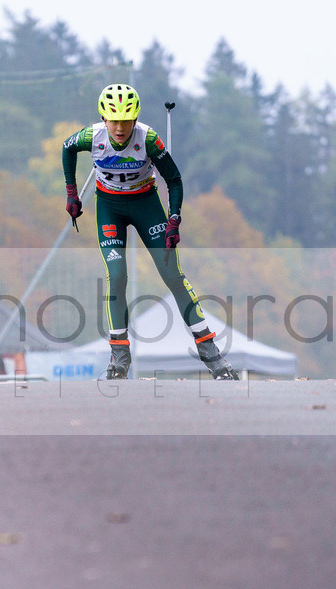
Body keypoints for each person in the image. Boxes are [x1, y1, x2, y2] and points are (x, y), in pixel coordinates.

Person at [62, 83, 238, 380]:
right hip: (109, 207)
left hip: (146, 205)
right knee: (116, 275)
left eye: (127, 120)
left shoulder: (149, 139)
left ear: (136, 118)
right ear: (104, 119)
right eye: (114, 120)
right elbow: (67, 148)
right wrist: (71, 191)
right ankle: (119, 356)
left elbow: (175, 180)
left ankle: (212, 354)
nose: (120, 127)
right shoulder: (92, 136)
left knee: (173, 276)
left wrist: (174, 219)